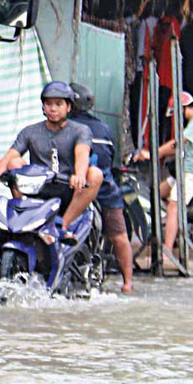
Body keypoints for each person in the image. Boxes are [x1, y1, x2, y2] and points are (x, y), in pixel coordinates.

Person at [0, 81, 102, 242]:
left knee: (95, 174)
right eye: (48, 103)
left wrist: (79, 175)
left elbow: (82, 153)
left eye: (58, 104)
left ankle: (63, 226)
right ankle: (24, 221)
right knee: (14, 164)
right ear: (43, 107)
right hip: (37, 191)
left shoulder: (80, 131)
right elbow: (12, 153)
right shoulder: (30, 131)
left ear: (68, 107)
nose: (53, 108)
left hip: (68, 191)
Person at [69, 83, 135, 293]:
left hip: (75, 186)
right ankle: (128, 283)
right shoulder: (103, 128)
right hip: (105, 187)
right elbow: (111, 157)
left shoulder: (65, 128)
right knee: (119, 236)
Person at [136, 91, 193, 255]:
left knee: (173, 206)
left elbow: (175, 144)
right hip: (182, 172)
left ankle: (168, 251)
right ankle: (170, 228)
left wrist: (153, 153)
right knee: (157, 192)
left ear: (183, 109)